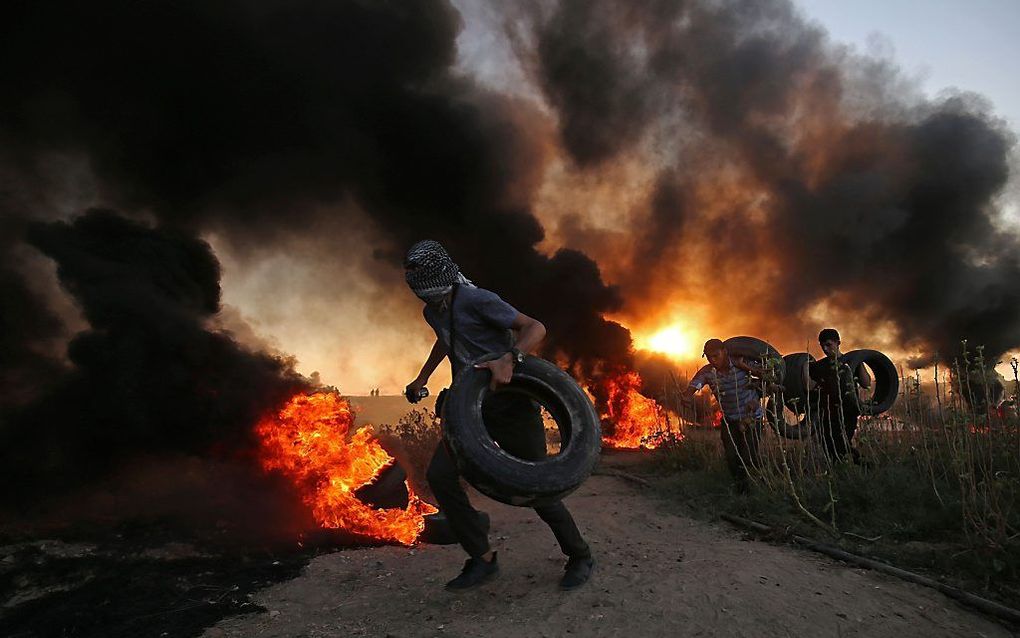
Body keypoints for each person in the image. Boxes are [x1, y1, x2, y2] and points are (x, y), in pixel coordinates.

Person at [403, 240, 594, 591]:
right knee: (441, 477)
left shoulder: (478, 300)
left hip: (511, 405)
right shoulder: (434, 310)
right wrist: (423, 376)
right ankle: (482, 556)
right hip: (467, 409)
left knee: (537, 487)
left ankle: (579, 555)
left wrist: (510, 358)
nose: (422, 294)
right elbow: (447, 339)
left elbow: (535, 327)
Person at [681, 339, 769, 492]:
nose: (713, 360)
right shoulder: (708, 372)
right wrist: (687, 396)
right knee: (732, 458)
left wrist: (746, 367)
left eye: (716, 356)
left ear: (725, 351)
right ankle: (741, 490)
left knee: (749, 457)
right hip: (730, 421)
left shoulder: (742, 363)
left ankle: (763, 484)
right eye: (709, 357)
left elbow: (766, 375)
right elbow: (695, 384)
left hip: (751, 418)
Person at [806, 328, 871, 463]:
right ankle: (851, 468)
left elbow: (866, 383)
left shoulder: (851, 362)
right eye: (822, 345)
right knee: (828, 447)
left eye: (828, 345)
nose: (825, 349)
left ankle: (861, 465)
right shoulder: (820, 366)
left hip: (848, 412)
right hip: (827, 414)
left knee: (841, 445)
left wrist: (859, 362)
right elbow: (809, 385)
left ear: (838, 342)